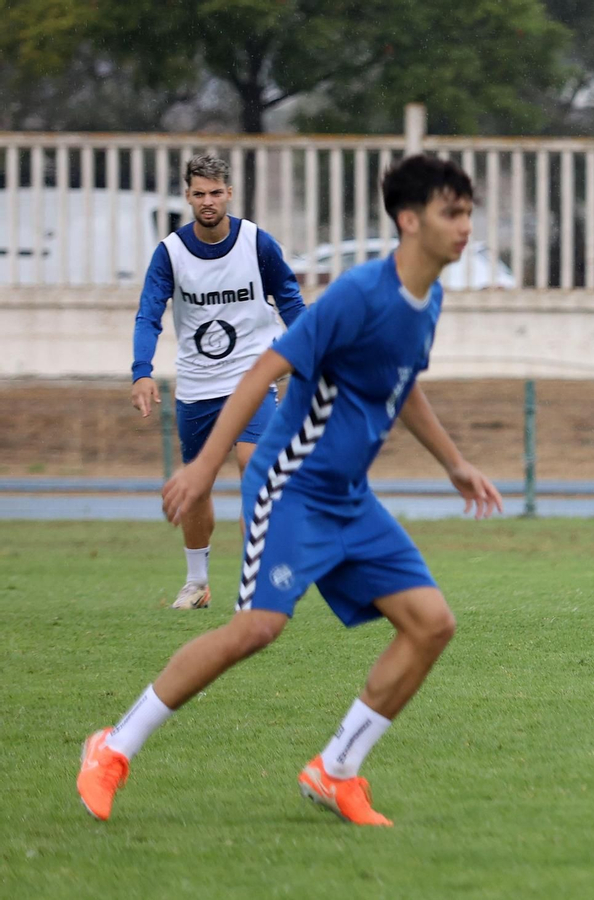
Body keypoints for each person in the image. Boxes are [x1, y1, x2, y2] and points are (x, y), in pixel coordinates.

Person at [77, 155, 503, 826]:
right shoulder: (358, 295)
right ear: (408, 219)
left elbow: (401, 384)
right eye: (452, 213)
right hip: (291, 486)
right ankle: (113, 747)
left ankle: (335, 771)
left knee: (431, 624)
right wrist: (202, 467)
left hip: (349, 497)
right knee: (257, 627)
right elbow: (261, 372)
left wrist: (454, 463)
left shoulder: (429, 299)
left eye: (469, 212)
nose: (465, 227)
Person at [131, 155, 306, 610]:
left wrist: (311, 351)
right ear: (187, 196)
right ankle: (197, 583)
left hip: (252, 378)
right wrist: (142, 371)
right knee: (196, 488)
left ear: (229, 193)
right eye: (199, 194)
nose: (207, 201)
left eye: (215, 193)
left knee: (256, 470)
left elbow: (290, 300)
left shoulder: (256, 243)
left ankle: (256, 581)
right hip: (197, 386)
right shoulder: (170, 252)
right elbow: (149, 314)